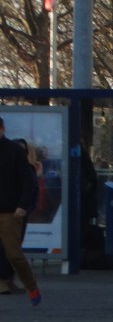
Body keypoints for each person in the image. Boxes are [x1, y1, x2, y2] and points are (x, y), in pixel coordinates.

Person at [0, 117, 40, 304]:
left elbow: (27, 181)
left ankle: (31, 287)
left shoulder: (14, 151)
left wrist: (23, 205)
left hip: (9, 211)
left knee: (13, 253)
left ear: (3, 129)